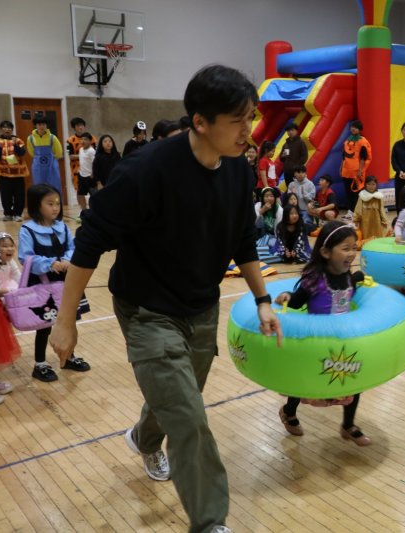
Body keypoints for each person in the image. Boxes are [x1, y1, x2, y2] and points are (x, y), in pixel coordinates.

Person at [48, 65, 282, 533]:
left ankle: (143, 437)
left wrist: (262, 298)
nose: (248, 131)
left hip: (201, 306)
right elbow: (90, 242)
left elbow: (243, 238)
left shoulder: (238, 171)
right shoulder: (146, 171)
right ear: (201, 122)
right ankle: (211, 522)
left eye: (251, 118)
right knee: (189, 416)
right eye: (237, 121)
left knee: (179, 396)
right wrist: (66, 319)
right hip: (146, 310)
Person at [274, 221, 372, 446]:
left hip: (342, 339)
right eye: (345, 248)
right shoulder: (315, 280)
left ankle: (348, 425)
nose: (352, 253)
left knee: (353, 381)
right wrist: (287, 296)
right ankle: (288, 411)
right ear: (326, 252)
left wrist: (358, 278)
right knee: (303, 381)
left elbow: (349, 291)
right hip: (316, 340)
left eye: (354, 247)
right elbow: (297, 302)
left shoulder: (347, 275)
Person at [18, 184, 91, 382]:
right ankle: (40, 363)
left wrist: (67, 260)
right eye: (50, 204)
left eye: (57, 203)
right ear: (36, 205)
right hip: (42, 284)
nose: (55, 208)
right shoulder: (27, 230)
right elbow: (26, 257)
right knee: (44, 324)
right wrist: (50, 264)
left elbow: (72, 248)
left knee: (68, 319)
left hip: (65, 281)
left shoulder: (62, 227)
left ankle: (68, 356)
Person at [0, 231, 22, 402]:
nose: (9, 249)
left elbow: (19, 279)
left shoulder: (9, 262)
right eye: (4, 246)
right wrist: (12, 292)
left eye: (11, 245)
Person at [0, 120, 29, 221]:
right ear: (1, 129)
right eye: (5, 127)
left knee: (19, 195)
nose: (7, 129)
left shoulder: (18, 141)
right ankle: (8, 214)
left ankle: (17, 214)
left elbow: (22, 153)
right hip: (4, 173)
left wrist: (14, 144)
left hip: (18, 173)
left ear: (12, 130)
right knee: (5, 195)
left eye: (9, 128)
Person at [339, 119, 372, 211]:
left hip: (356, 172)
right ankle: (350, 211)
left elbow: (363, 157)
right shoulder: (347, 140)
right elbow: (344, 156)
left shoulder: (363, 141)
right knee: (348, 192)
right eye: (352, 127)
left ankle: (357, 212)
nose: (353, 129)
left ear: (360, 129)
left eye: (356, 127)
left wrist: (360, 170)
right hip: (346, 171)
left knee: (356, 192)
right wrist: (341, 168)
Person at [26, 116, 63, 192]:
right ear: (36, 125)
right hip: (37, 167)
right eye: (39, 124)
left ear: (46, 125)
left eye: (43, 124)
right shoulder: (30, 139)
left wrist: (51, 159)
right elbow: (31, 152)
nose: (42, 126)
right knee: (39, 188)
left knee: (54, 187)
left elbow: (59, 153)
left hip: (52, 166)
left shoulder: (52, 138)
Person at [353, 176, 388, 243]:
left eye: (373, 184)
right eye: (369, 184)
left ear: (376, 185)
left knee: (377, 236)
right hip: (365, 221)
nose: (371, 186)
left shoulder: (378, 196)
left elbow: (381, 209)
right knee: (366, 235)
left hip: (376, 221)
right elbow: (358, 209)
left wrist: (384, 220)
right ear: (365, 185)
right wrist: (356, 219)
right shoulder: (362, 196)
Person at [254, 186, 282, 263]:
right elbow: (251, 223)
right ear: (262, 198)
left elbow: (279, 229)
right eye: (266, 196)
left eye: (271, 196)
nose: (269, 198)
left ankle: (261, 251)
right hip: (259, 235)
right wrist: (262, 211)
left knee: (273, 245)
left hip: (272, 236)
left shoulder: (279, 210)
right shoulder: (258, 206)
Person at [279, 122, 307, 187]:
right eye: (288, 131)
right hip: (287, 172)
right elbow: (281, 159)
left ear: (296, 131)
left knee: (297, 189)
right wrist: (283, 156)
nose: (290, 132)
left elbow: (304, 157)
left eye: (292, 130)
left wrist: (296, 168)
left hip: (297, 172)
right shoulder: (286, 144)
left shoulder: (301, 142)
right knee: (289, 188)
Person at [76, 132, 96, 218]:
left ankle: (95, 212)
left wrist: (93, 174)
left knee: (93, 196)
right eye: (82, 139)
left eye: (86, 139)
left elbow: (95, 163)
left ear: (90, 141)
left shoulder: (92, 151)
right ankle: (84, 211)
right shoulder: (81, 149)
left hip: (90, 177)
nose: (83, 141)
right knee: (80, 194)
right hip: (81, 176)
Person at [66, 117, 87, 191]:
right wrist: (83, 155)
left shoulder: (91, 139)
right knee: (79, 191)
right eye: (78, 125)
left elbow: (94, 154)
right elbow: (70, 156)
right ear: (74, 128)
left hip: (90, 168)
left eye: (82, 125)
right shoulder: (70, 140)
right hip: (76, 169)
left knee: (93, 190)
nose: (80, 127)